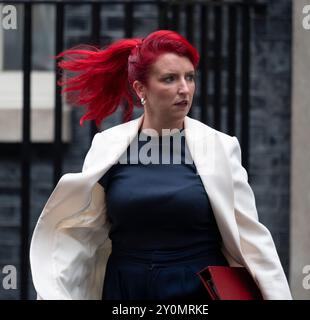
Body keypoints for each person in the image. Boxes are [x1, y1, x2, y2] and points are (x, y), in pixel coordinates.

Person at [29, 30, 292, 300]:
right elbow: (81, 231)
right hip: (126, 290)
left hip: (196, 291)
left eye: (189, 77)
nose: (184, 89)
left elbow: (250, 237)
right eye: (170, 79)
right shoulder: (108, 146)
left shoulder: (220, 147)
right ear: (140, 89)